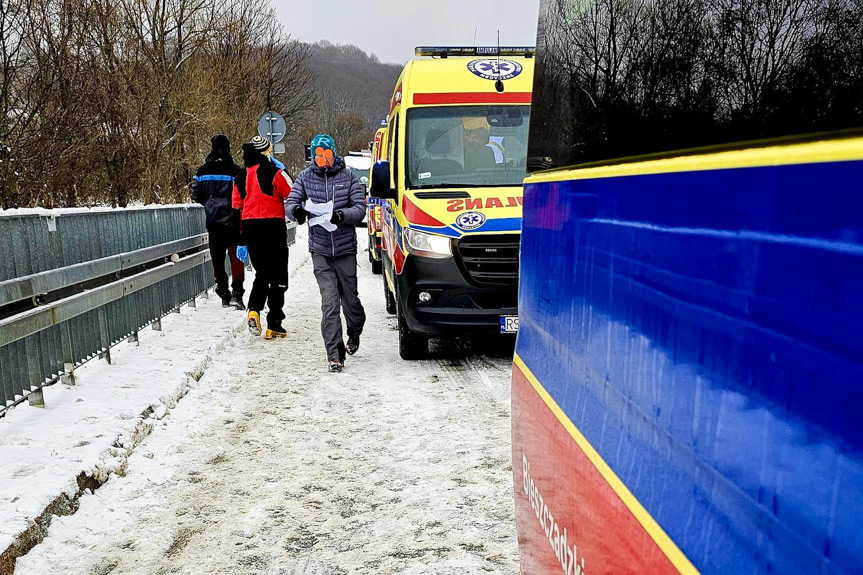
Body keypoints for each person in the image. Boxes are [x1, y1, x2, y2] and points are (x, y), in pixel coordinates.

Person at [286, 134, 366, 373]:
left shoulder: (348, 177)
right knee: (330, 302)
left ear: (334, 153)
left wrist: (341, 215)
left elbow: (360, 208)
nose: (322, 160)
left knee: (350, 301)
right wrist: (297, 212)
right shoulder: (304, 177)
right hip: (320, 249)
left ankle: (355, 330)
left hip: (344, 248)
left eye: (326, 155)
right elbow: (290, 202)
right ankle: (335, 353)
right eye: (318, 156)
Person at [232, 139, 293, 339]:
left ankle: (254, 310)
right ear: (266, 152)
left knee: (262, 272)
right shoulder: (274, 172)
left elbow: (236, 211)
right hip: (273, 226)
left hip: (250, 229)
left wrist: (240, 240)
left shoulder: (239, 177)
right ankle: (274, 322)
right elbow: (291, 193)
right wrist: (284, 172)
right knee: (278, 275)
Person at [191, 134, 245, 309]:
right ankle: (237, 292)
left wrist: (209, 203)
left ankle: (223, 291)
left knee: (217, 259)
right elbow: (244, 195)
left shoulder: (202, 172)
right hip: (233, 221)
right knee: (235, 257)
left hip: (213, 222)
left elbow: (196, 195)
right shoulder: (236, 171)